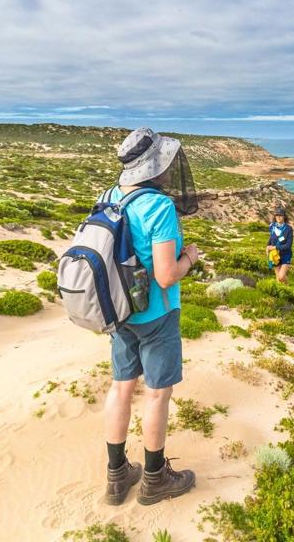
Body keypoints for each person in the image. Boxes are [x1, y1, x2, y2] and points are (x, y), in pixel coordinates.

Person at [102, 127, 199, 507]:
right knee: (157, 394)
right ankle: (155, 479)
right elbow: (165, 275)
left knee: (121, 387)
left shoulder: (109, 196)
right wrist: (190, 257)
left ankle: (116, 475)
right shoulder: (159, 207)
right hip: (155, 315)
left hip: (120, 312)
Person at [267, 206, 293, 283]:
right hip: (275, 255)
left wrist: (275, 247)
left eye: (280, 215)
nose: (278, 217)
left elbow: (288, 246)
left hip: (286, 254)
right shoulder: (272, 226)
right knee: (278, 278)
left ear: (284, 216)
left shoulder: (288, 229)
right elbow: (271, 238)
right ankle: (283, 291)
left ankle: (287, 286)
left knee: (281, 277)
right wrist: (267, 247)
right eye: (277, 215)